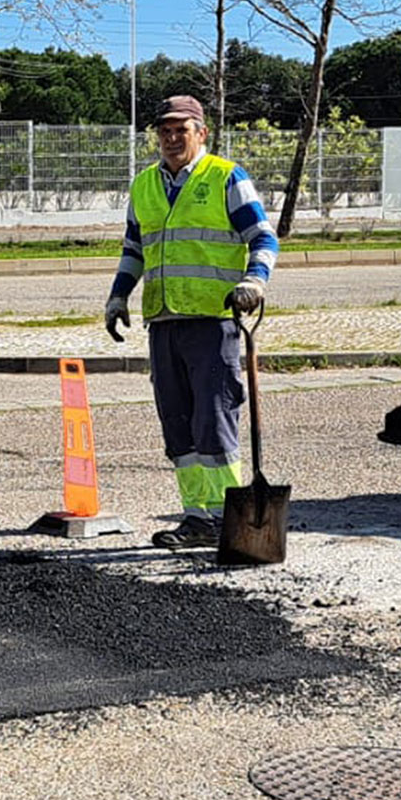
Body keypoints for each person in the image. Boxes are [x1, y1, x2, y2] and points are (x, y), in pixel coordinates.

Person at [103, 94, 279, 549]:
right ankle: (197, 516)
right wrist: (118, 296)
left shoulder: (226, 177)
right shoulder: (144, 185)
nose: (171, 137)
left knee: (213, 418)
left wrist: (255, 281)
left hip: (213, 319)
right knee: (178, 423)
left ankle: (227, 517)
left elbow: (262, 236)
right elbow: (134, 249)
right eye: (164, 130)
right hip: (163, 320)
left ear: (202, 133)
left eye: (181, 129)